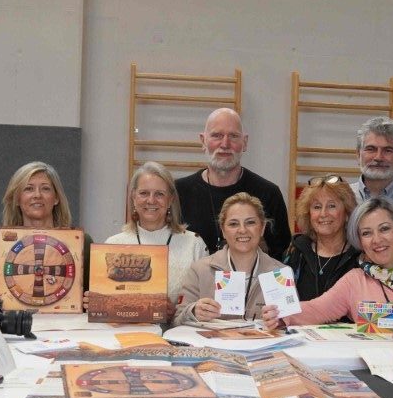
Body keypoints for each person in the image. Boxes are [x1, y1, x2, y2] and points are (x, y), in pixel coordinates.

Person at [265, 198, 393, 338]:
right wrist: (281, 314)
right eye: (366, 233)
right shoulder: (355, 280)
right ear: (360, 241)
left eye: (384, 229)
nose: (377, 240)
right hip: (374, 373)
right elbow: (317, 309)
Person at [174, 108, 291, 259]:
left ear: (245, 142)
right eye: (217, 135)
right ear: (203, 141)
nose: (225, 144)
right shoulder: (178, 192)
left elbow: (280, 257)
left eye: (233, 136)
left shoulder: (269, 194)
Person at [0, 161, 92, 296]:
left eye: (45, 189)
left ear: (56, 198)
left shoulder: (83, 243)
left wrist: (92, 301)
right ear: (16, 199)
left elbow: (94, 297)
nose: (37, 195)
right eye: (28, 189)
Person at [174, 192, 286, 325]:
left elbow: (293, 325)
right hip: (212, 339)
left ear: (262, 228)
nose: (242, 230)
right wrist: (193, 312)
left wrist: (281, 323)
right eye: (233, 224)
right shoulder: (199, 270)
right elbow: (177, 321)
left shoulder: (281, 273)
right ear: (223, 230)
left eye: (250, 222)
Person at [105, 161, 207, 304]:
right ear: (133, 196)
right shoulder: (113, 245)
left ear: (170, 199)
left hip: (179, 320)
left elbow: (206, 300)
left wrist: (177, 311)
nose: (151, 200)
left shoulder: (194, 244)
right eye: (144, 193)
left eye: (159, 194)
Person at [283, 174, 359, 302]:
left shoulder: (360, 257)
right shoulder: (295, 252)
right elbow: (284, 304)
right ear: (308, 214)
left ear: (347, 213)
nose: (323, 214)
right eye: (317, 207)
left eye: (331, 206)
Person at [350, 116, 393, 217]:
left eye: (388, 150)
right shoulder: (339, 199)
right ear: (358, 155)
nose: (378, 157)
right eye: (371, 149)